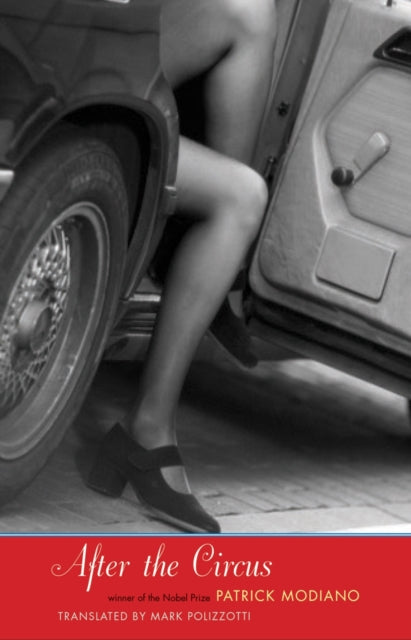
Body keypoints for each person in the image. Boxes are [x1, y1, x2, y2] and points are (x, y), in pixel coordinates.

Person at [88, 0, 277, 533]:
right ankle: (203, 263)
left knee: (243, 195)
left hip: (95, 60)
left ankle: (148, 428)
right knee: (248, 11)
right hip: (62, 65)